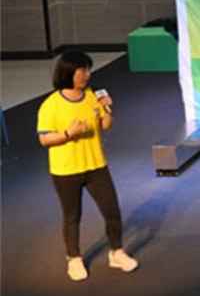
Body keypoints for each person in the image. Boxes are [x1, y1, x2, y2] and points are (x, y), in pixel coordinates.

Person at [37, 52, 138, 281]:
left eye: (88, 69)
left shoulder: (92, 96)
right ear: (68, 73)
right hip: (66, 170)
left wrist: (108, 109)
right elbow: (44, 139)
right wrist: (67, 134)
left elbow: (106, 125)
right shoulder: (51, 105)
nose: (87, 74)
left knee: (111, 210)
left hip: (96, 166)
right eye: (82, 70)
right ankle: (74, 258)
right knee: (72, 216)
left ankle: (117, 252)